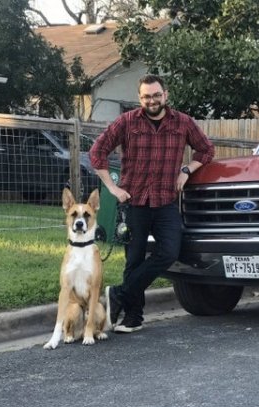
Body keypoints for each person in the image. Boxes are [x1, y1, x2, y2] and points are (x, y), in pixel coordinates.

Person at [90, 74, 214, 333]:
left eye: (157, 95)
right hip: (134, 201)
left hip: (166, 200)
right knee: (134, 260)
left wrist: (187, 170)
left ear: (165, 95)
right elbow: (97, 152)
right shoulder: (126, 122)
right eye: (146, 96)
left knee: (169, 252)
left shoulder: (182, 123)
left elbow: (206, 149)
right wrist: (113, 189)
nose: (152, 100)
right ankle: (133, 318)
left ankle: (119, 294)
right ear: (140, 98)